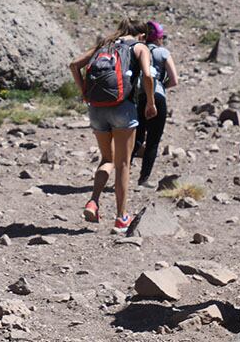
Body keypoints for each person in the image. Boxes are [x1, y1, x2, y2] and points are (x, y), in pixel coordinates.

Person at [69, 19, 156, 234]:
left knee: (107, 158)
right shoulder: (139, 47)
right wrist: (151, 103)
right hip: (122, 108)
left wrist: (83, 92)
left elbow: (74, 65)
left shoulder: (105, 45)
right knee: (123, 164)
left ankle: (93, 201)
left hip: (96, 108)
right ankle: (121, 218)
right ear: (141, 35)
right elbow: (147, 74)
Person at [133, 21, 179, 186]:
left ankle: (121, 172)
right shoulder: (163, 52)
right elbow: (174, 80)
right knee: (153, 139)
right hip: (157, 96)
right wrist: (161, 87)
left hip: (140, 97)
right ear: (158, 38)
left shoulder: (137, 50)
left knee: (136, 137)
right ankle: (143, 178)